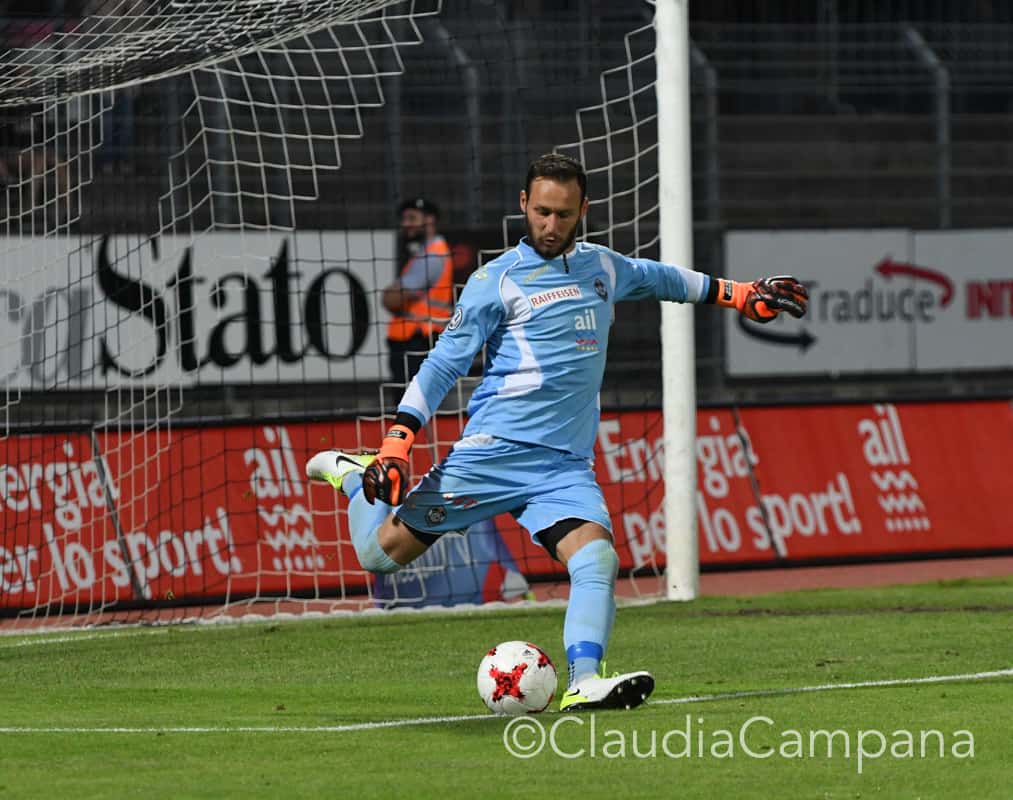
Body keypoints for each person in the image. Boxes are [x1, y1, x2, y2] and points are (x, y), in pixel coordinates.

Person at [307, 153, 808, 711]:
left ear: (583, 210)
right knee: (380, 555)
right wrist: (397, 441)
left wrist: (738, 293)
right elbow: (443, 365)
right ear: (524, 204)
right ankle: (355, 480)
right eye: (542, 212)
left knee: (596, 560)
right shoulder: (494, 282)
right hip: (493, 455)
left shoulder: (603, 268)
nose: (550, 225)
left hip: (564, 467)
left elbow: (663, 278)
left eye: (564, 214)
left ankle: (583, 681)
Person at [384, 196, 455, 387]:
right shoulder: (426, 252)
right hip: (415, 338)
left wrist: (389, 294)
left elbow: (393, 299)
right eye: (404, 219)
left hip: (417, 339)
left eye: (412, 218)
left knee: (410, 398)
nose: (405, 224)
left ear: (429, 220)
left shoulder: (432, 255)